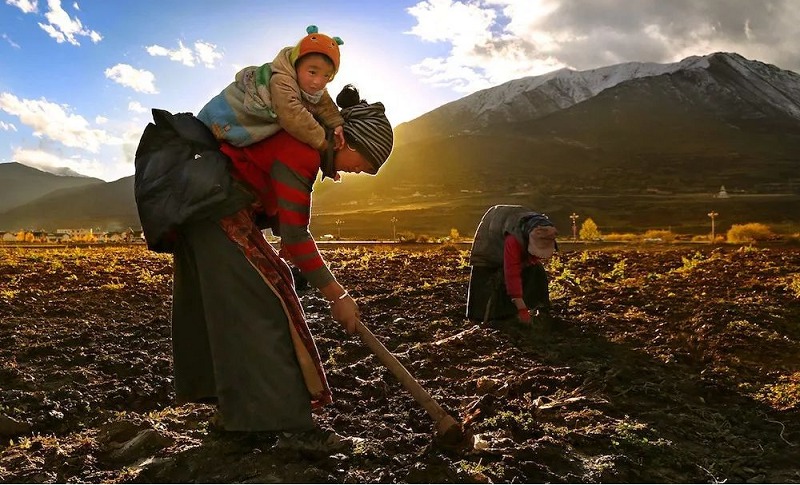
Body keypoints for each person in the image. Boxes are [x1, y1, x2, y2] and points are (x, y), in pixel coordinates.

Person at [133, 84, 393, 454]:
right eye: (363, 165)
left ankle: (236, 417)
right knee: (268, 311)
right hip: (214, 211)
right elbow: (296, 234)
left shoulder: (299, 145)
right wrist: (338, 296)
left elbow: (287, 231)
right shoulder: (300, 150)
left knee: (233, 311)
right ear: (343, 140)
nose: (358, 172)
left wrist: (299, 264)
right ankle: (295, 430)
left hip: (204, 213)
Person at [197, 25, 346, 152]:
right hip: (224, 116)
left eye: (326, 76)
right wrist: (322, 142)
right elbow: (293, 116)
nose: (318, 81)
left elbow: (323, 101)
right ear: (296, 64)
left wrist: (336, 123)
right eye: (312, 72)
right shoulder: (282, 80)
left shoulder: (311, 86)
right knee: (203, 143)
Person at [466, 205, 558, 325]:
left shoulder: (545, 230)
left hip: (511, 228)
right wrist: (521, 308)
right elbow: (512, 272)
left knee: (536, 270)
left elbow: (533, 257)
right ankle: (486, 317)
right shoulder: (513, 239)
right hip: (490, 241)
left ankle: (540, 307)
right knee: (488, 279)